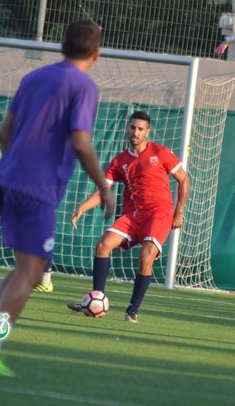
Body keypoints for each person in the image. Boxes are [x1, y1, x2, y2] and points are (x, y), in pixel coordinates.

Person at [0, 20, 115, 377]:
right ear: (96, 54)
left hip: (5, 179)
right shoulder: (84, 86)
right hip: (35, 188)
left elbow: (4, 132)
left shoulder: (33, 78)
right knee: (32, 272)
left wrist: (15, 164)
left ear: (61, 46)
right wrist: (103, 186)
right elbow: (80, 142)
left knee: (23, 269)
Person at [67, 111, 190, 323]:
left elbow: (184, 179)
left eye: (140, 129)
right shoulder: (120, 161)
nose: (135, 132)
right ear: (128, 128)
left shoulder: (160, 153)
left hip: (159, 214)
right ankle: (96, 299)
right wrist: (83, 207)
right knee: (103, 245)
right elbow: (103, 190)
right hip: (133, 216)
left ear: (147, 132)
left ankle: (132, 311)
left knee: (145, 258)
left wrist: (178, 212)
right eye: (133, 127)